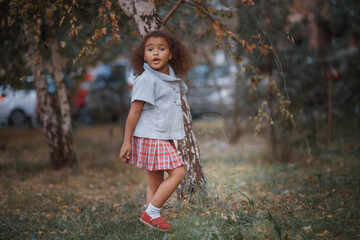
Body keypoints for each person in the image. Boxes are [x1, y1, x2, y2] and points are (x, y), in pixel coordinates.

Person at [119, 30, 193, 231]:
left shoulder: (170, 75)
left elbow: (179, 91)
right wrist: (127, 142)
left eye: (161, 49)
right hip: (152, 135)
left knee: (155, 182)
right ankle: (151, 213)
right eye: (150, 49)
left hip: (161, 135)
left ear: (170, 54)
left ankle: (149, 224)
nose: (155, 53)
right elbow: (134, 112)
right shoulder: (146, 79)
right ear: (143, 55)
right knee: (179, 172)